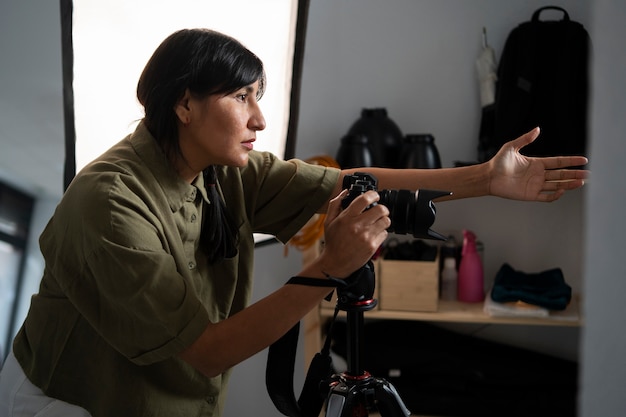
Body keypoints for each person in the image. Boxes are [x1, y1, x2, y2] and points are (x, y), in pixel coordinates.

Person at [0, 28, 588, 417]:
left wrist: (486, 178)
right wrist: (330, 267)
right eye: (242, 98)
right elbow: (202, 352)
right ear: (184, 104)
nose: (259, 117)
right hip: (68, 403)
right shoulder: (110, 203)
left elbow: (354, 180)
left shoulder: (222, 170)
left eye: (261, 96)